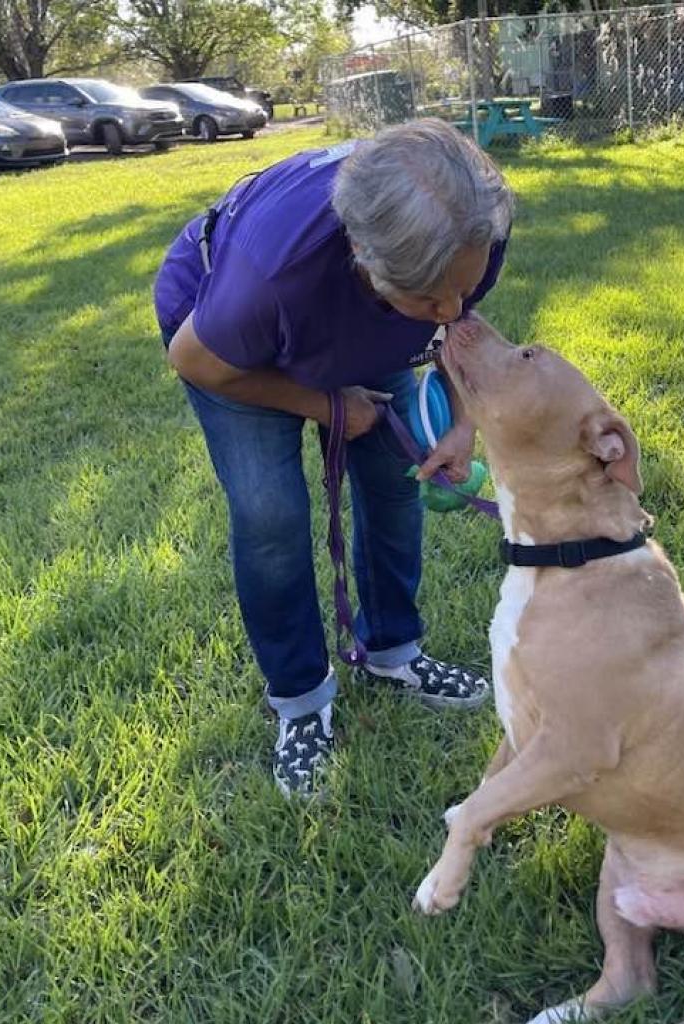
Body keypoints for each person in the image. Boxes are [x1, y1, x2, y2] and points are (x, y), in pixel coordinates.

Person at [153, 119, 514, 796]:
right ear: (365, 259)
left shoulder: (473, 227)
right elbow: (196, 361)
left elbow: (457, 327)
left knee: (395, 479)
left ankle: (393, 653)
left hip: (354, 327)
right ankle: (300, 703)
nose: (451, 304)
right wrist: (329, 406)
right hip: (234, 354)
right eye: (427, 296)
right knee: (270, 517)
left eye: (461, 284)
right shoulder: (271, 276)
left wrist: (463, 423)